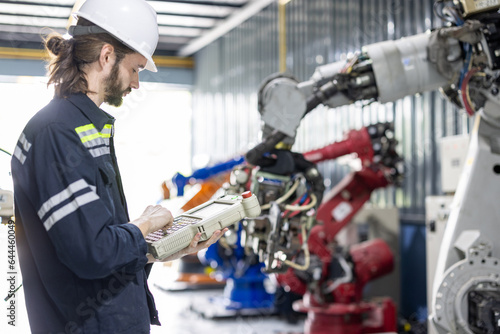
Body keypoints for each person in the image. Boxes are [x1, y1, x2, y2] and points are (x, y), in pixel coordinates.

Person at [10, 0, 226, 333]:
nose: (136, 83)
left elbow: (96, 247)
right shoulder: (58, 134)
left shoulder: (80, 127)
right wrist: (143, 223)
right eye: (135, 68)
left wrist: (163, 249)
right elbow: (92, 253)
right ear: (107, 56)